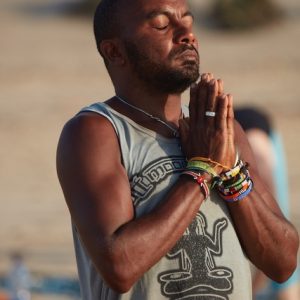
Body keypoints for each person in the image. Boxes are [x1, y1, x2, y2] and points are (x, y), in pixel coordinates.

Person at [56, 0, 299, 299]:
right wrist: (202, 168)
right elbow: (120, 265)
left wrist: (232, 172)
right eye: (161, 25)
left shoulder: (221, 131)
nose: (187, 34)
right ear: (114, 52)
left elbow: (283, 262)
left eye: (188, 21)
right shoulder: (96, 133)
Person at [235, 107, 300, 300]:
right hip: (249, 132)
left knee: (277, 222)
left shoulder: (261, 154)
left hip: (258, 136)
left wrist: (253, 291)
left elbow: (275, 228)